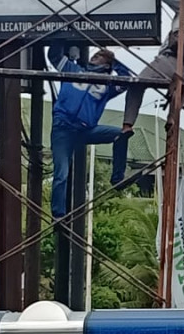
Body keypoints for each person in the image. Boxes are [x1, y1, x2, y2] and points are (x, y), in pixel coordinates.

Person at [111, 0, 184, 185]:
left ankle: (127, 126)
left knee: (137, 85)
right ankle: (172, 119)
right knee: (177, 94)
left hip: (169, 61)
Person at [47, 44, 134, 221]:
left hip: (85, 130)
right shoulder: (73, 69)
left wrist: (114, 61)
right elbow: (54, 56)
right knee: (61, 173)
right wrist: (65, 40)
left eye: (100, 57)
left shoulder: (107, 86)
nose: (94, 58)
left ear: (107, 65)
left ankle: (117, 178)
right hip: (63, 129)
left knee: (121, 134)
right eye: (94, 56)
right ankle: (58, 215)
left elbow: (127, 79)